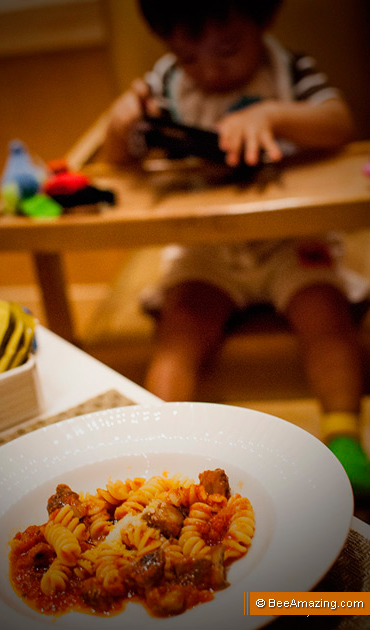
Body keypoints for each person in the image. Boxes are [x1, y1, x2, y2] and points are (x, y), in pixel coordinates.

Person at [102, 0, 370, 500]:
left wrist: (275, 114)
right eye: (188, 59)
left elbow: (339, 123)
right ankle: (156, 451)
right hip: (206, 246)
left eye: (226, 50)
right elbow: (119, 161)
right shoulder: (163, 85)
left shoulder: (288, 69)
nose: (209, 69)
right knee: (180, 327)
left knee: (327, 318)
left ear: (262, 20)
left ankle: (344, 440)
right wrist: (119, 126)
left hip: (291, 237)